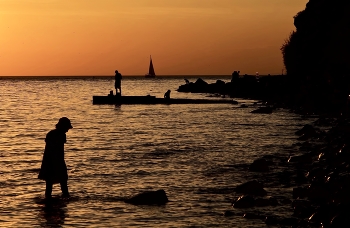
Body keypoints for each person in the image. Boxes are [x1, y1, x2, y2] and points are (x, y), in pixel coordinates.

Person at [38, 117, 73, 198]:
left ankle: (48, 200)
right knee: (63, 182)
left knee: (49, 184)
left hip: (48, 161)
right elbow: (59, 151)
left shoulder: (50, 133)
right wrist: (60, 163)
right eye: (67, 128)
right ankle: (66, 197)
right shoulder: (61, 135)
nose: (67, 130)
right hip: (57, 161)